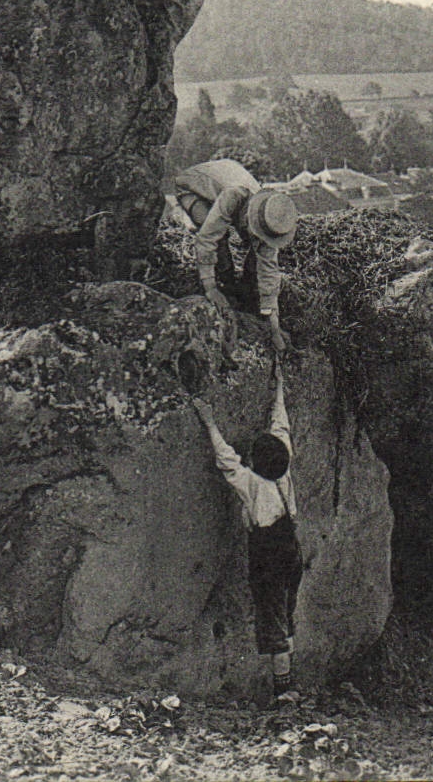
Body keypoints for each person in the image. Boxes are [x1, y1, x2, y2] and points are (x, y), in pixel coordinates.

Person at [192, 361, 302, 695]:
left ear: (255, 462)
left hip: (267, 554)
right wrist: (279, 385)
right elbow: (280, 424)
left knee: (273, 621)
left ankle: (284, 694)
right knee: (286, 610)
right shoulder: (283, 471)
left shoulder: (253, 484)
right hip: (291, 549)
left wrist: (209, 420)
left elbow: (226, 459)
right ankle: (289, 683)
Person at [169, 158, 297, 350]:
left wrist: (274, 328)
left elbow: (269, 272)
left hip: (229, 177)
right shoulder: (233, 197)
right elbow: (206, 240)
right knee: (217, 236)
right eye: (255, 230)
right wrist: (211, 288)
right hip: (192, 186)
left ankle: (245, 293)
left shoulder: (270, 217)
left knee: (259, 255)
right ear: (249, 216)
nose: (257, 238)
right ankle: (225, 284)